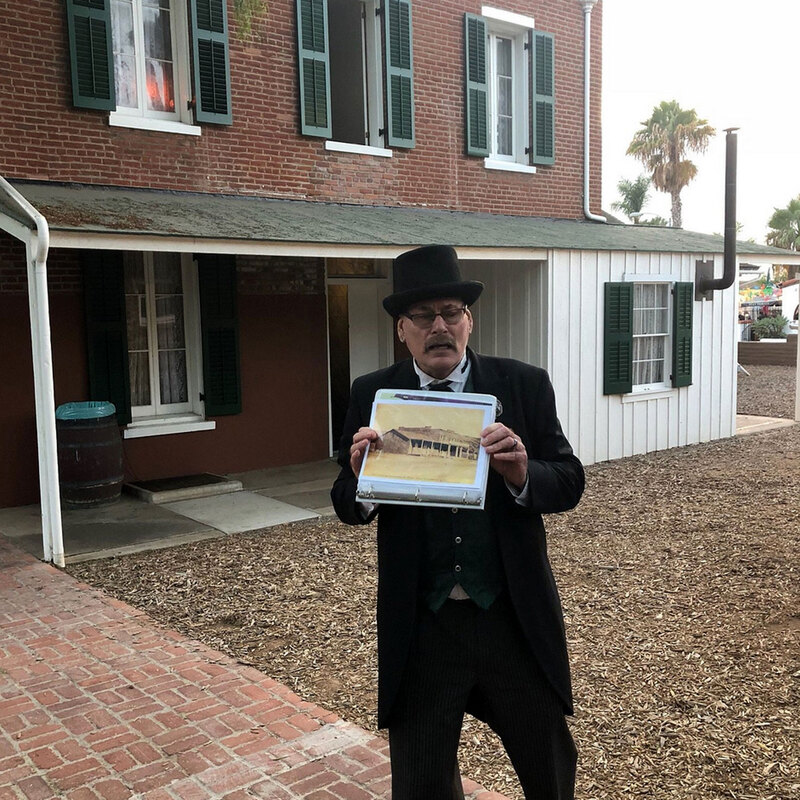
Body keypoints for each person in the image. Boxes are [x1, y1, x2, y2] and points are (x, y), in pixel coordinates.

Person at [331, 245, 585, 800]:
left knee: (547, 770)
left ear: (469, 321)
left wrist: (523, 473)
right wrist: (362, 479)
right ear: (402, 329)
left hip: (511, 617)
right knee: (422, 783)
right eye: (423, 316)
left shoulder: (522, 384)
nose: (439, 326)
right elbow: (346, 502)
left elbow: (569, 480)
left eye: (451, 312)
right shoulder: (372, 394)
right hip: (423, 623)